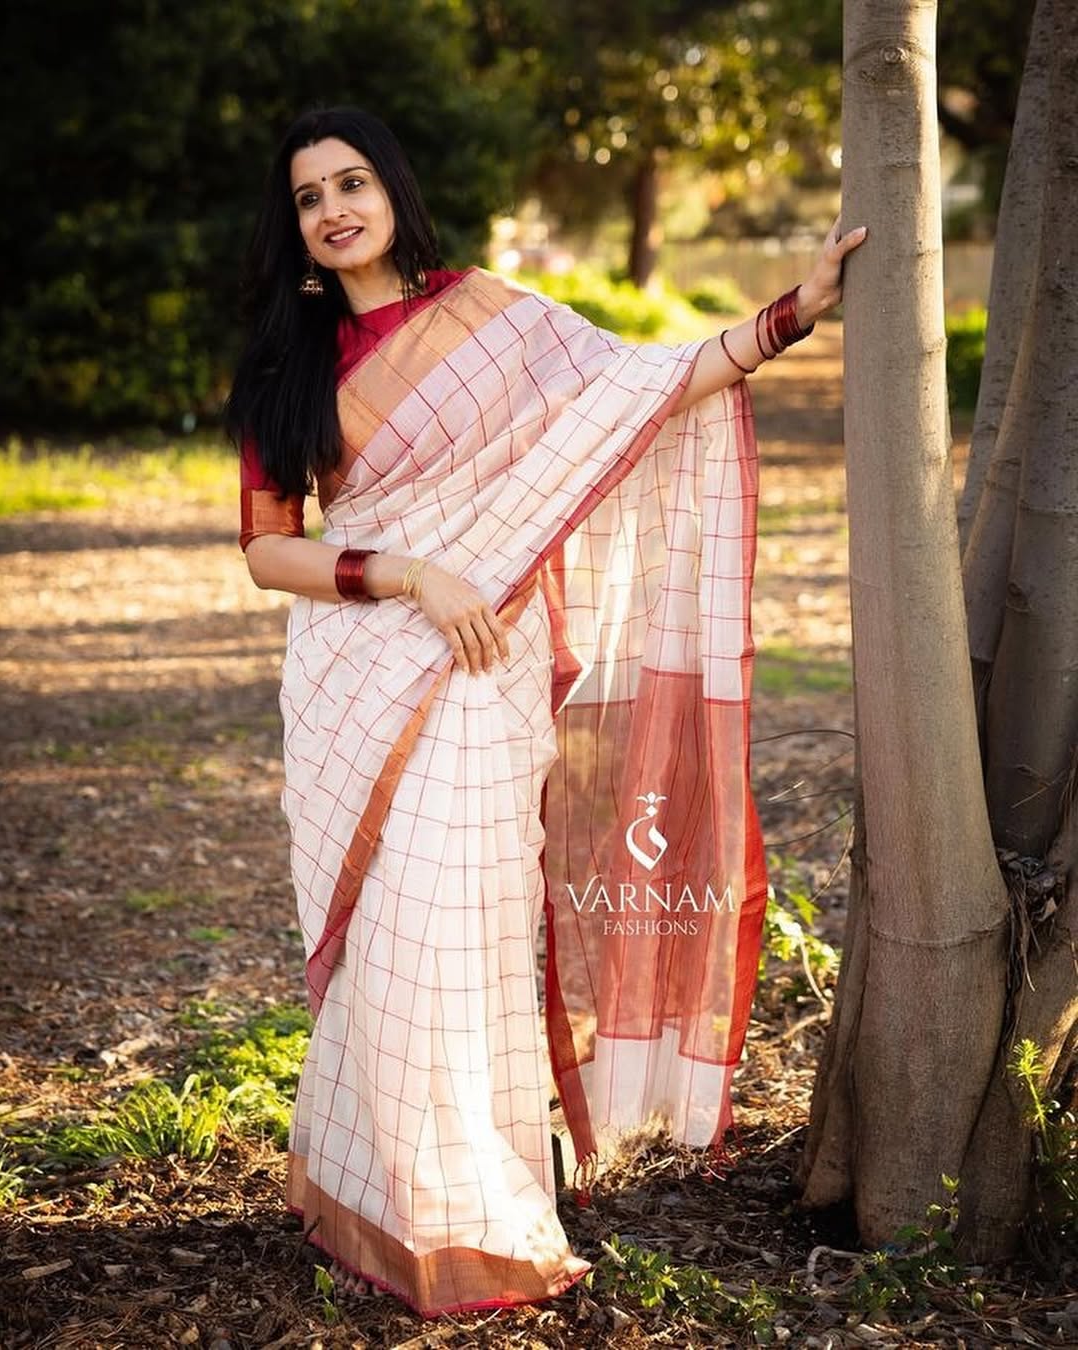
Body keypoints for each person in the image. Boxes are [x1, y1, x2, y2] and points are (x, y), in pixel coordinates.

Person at [225, 105, 866, 1319]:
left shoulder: (494, 318)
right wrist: (410, 572)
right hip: (359, 667)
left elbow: (637, 392)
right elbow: (269, 553)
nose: (334, 210)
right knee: (386, 937)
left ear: (395, 189)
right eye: (310, 198)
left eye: (351, 182)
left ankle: (471, 1203)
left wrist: (791, 312)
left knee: (460, 922)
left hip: (479, 666)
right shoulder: (282, 363)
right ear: (295, 226)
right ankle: (375, 1190)